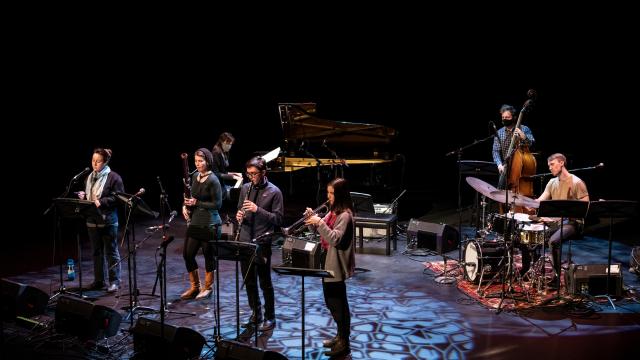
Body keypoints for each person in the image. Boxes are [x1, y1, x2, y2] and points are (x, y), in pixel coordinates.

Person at [305, 178, 355, 357]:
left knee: (338, 303)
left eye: (332, 193)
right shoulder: (333, 212)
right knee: (331, 301)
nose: (328, 196)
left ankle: (344, 341)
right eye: (328, 192)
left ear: (340, 194)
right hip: (327, 260)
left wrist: (319, 223)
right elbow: (319, 231)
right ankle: (340, 335)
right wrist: (312, 220)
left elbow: (335, 238)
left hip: (336, 264)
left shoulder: (345, 216)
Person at [522, 153, 589, 288]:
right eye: (549, 166)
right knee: (527, 234)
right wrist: (529, 203)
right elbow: (541, 200)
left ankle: (556, 279)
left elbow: (585, 207)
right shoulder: (552, 182)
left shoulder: (577, 182)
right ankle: (528, 271)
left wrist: (566, 213)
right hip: (556, 222)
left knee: (553, 241)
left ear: (561, 163)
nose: (550, 168)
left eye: (552, 165)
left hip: (573, 223)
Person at [235, 156, 283, 332]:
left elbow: (278, 219)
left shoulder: (274, 192)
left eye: (254, 174)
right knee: (248, 281)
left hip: (262, 242)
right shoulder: (246, 188)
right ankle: (256, 313)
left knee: (265, 282)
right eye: (249, 174)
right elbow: (240, 208)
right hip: (245, 240)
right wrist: (239, 215)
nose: (251, 177)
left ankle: (270, 317)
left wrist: (257, 209)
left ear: (264, 173)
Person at [77, 148, 124, 293]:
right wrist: (83, 196)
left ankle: (114, 281)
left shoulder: (114, 177)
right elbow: (89, 196)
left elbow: (119, 198)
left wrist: (102, 201)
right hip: (92, 219)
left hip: (108, 220)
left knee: (111, 251)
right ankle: (99, 280)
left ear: (105, 162)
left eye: (98, 161)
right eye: (93, 160)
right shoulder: (89, 177)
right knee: (96, 252)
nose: (94, 164)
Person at [180, 148, 223, 300]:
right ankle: (195, 286)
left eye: (201, 161)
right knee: (187, 254)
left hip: (210, 223)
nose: (197, 164)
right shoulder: (195, 177)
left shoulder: (213, 180)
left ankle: (208, 287)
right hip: (196, 221)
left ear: (208, 162)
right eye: (196, 161)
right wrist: (185, 206)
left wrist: (197, 202)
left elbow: (217, 205)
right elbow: (191, 198)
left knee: (208, 255)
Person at [492, 104, 536, 178]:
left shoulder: (524, 129)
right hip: (505, 169)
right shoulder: (499, 133)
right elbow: (495, 151)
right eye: (503, 117)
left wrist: (523, 136)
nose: (504, 119)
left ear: (514, 118)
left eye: (507, 117)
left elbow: (533, 144)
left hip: (521, 169)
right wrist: (499, 165)